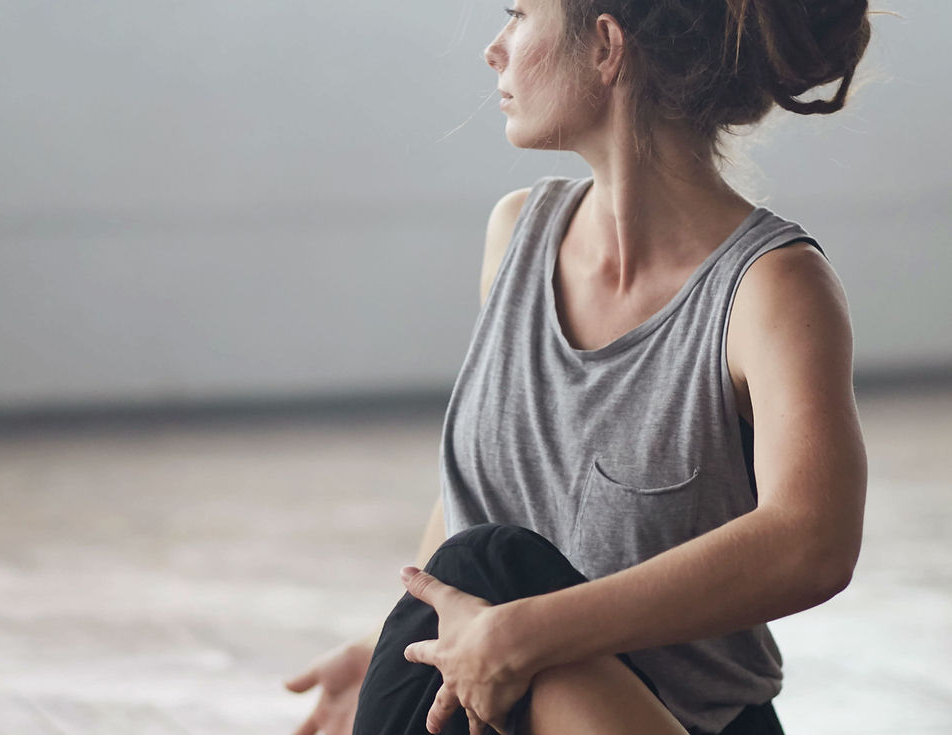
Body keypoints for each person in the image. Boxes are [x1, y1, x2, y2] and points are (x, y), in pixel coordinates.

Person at [286, 0, 874, 733]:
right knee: (480, 558)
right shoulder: (516, 235)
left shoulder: (771, 287)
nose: (494, 48)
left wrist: (526, 633)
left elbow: (814, 542)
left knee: (492, 560)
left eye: (518, 13)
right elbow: (482, 494)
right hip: (522, 704)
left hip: (682, 721)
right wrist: (408, 648)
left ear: (604, 47)